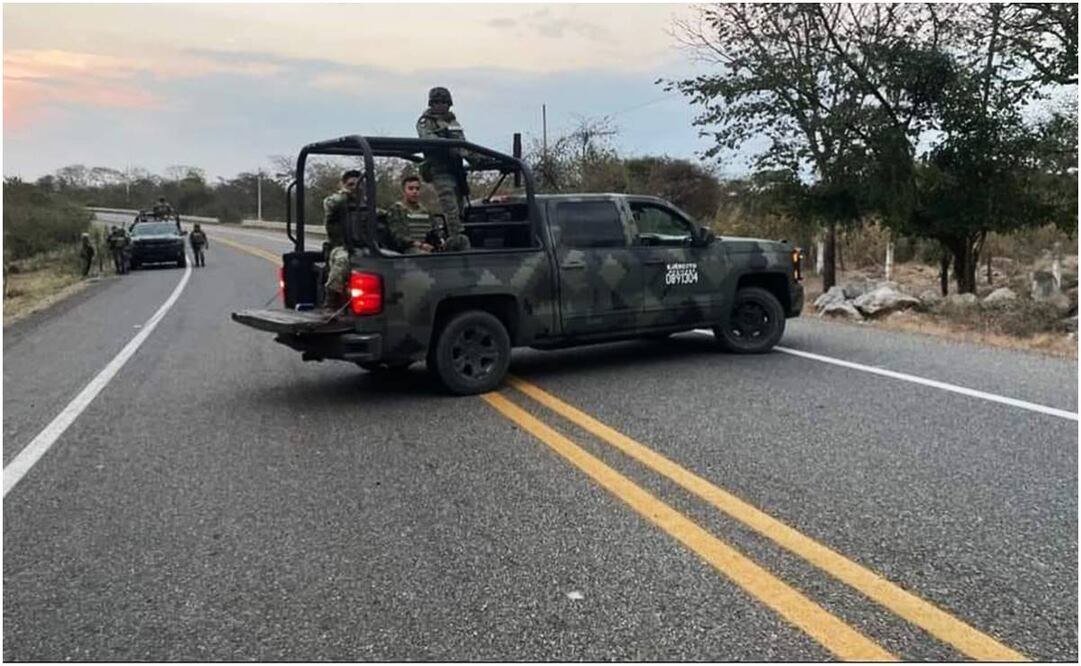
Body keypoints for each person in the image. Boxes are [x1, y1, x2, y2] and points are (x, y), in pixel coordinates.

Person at [416, 86, 472, 252]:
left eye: (444, 102)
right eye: (437, 102)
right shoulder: (426, 122)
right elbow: (428, 139)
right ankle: (455, 239)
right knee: (450, 208)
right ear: (431, 104)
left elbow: (464, 146)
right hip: (440, 169)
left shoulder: (453, 122)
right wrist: (447, 145)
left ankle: (458, 236)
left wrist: (479, 159)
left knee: (461, 207)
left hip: (456, 170)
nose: (441, 106)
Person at [322, 169, 363, 309]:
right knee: (343, 260)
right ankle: (330, 301)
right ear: (344, 185)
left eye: (358, 185)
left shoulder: (365, 204)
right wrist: (346, 193)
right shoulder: (336, 202)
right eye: (351, 185)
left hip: (364, 247)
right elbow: (329, 203)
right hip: (340, 247)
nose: (355, 188)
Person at [385, 175, 436, 254]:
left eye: (417, 189)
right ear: (404, 191)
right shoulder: (397, 209)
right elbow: (398, 236)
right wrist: (420, 245)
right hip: (407, 250)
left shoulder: (426, 211)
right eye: (411, 188)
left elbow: (434, 229)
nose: (414, 191)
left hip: (428, 247)